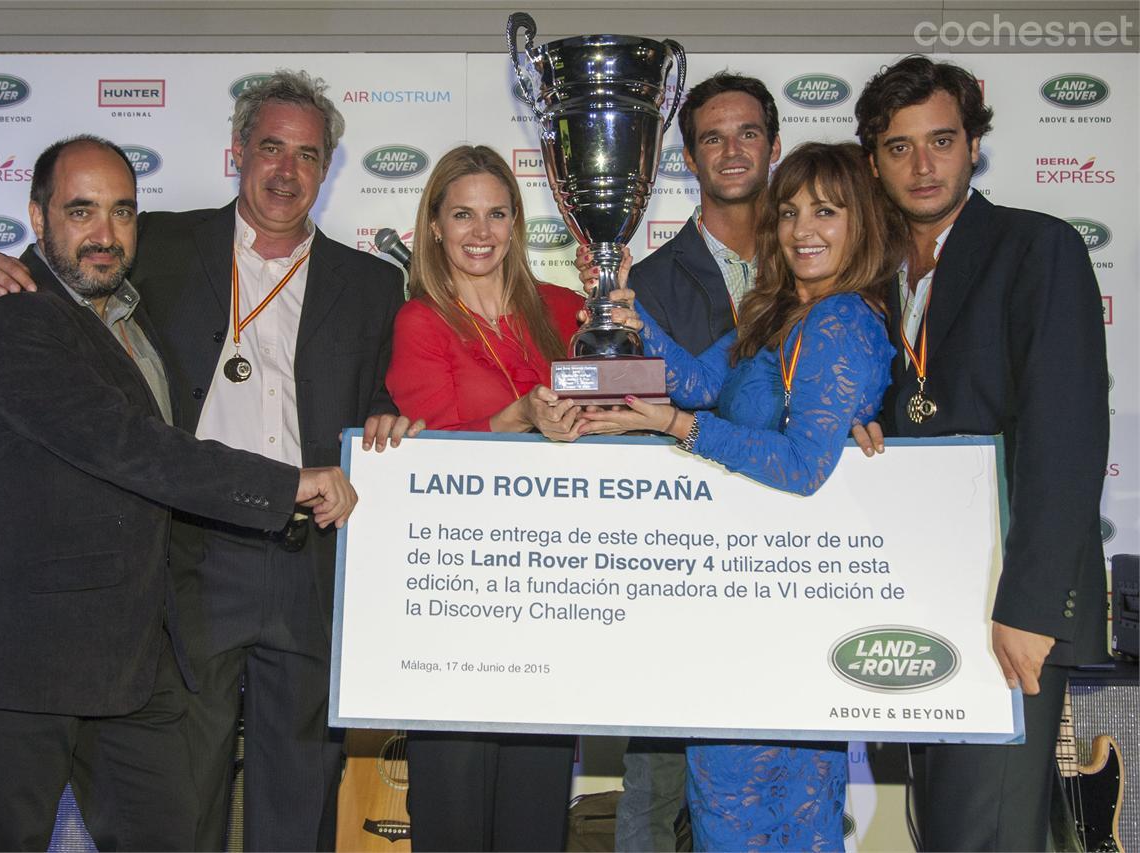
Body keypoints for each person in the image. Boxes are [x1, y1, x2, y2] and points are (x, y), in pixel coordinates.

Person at [0, 71, 412, 851]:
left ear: (328, 168)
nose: (286, 170)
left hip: (308, 564)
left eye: (307, 155)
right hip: (186, 562)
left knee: (298, 796)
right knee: (181, 798)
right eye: (270, 146)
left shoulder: (375, 283)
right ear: (238, 151)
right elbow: (58, 287)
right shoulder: (153, 241)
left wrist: (388, 415)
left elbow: (383, 393)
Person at [579, 141, 906, 850]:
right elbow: (699, 380)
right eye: (788, 212)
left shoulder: (843, 319)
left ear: (864, 223)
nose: (801, 229)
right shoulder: (782, 311)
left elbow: (802, 466)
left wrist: (675, 427)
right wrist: (634, 320)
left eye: (825, 210)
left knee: (772, 821)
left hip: (790, 607)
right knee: (724, 808)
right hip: (744, 603)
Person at [851, 55, 1109, 851]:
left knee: (986, 835)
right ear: (874, 161)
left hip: (1008, 606)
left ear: (973, 146)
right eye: (900, 147)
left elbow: (1066, 437)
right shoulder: (864, 272)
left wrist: (1030, 608)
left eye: (942, 141)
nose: (923, 165)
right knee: (942, 832)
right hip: (912, 600)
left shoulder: (1038, 248)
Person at [576, 70, 781, 852]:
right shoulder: (646, 284)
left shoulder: (820, 266)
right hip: (682, 564)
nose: (732, 151)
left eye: (748, 133)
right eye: (712, 139)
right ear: (689, 160)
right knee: (657, 785)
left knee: (789, 769)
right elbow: (624, 413)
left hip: (805, 557)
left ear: (774, 144)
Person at [384, 145, 584, 850]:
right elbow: (434, 461)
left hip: (553, 591)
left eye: (497, 213)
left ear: (516, 223)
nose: (480, 230)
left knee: (535, 818)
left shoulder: (567, 310)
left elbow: (625, 420)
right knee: (454, 816)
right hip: (458, 597)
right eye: (462, 212)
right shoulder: (421, 321)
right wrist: (519, 418)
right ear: (433, 225)